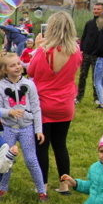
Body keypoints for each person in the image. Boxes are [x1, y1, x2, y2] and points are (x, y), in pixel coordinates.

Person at [27, 12, 82, 194]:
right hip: (65, 105)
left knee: (42, 146)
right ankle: (64, 183)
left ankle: (42, 184)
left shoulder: (44, 51)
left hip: (43, 105)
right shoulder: (75, 52)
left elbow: (32, 72)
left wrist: (36, 47)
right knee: (60, 145)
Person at [0, 52, 47, 200]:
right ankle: (2, 188)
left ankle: (42, 190)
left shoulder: (29, 84)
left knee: (31, 159)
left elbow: (36, 108)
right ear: (4, 70)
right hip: (8, 129)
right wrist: (10, 112)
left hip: (27, 128)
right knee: (6, 159)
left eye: (18, 63)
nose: (17, 67)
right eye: (12, 65)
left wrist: (38, 130)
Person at [77, 2, 103, 104]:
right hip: (86, 54)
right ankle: (79, 97)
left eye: (98, 9)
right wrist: (82, 49)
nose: (96, 11)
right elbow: (84, 37)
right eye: (95, 9)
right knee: (82, 76)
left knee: (96, 77)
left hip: (97, 55)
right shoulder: (89, 23)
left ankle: (97, 97)